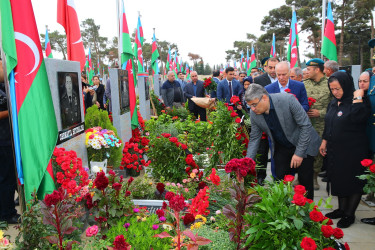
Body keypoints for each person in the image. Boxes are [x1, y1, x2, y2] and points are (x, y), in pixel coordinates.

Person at [245, 84, 321, 200]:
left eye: (254, 105)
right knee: (280, 181)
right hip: (282, 146)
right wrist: (247, 162)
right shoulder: (254, 113)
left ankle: (308, 211)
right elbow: (255, 137)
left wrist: (299, 153)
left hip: (303, 142)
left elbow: (305, 126)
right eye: (250, 106)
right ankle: (284, 211)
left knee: (305, 182)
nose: (253, 109)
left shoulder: (287, 100)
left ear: (264, 98)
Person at [320, 71, 370, 228]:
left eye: (338, 89)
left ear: (347, 86)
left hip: (354, 150)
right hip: (336, 149)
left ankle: (350, 214)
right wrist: (324, 141)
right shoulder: (333, 102)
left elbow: (358, 118)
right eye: (332, 89)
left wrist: (357, 97)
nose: (335, 92)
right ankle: (342, 209)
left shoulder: (359, 101)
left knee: (353, 181)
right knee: (339, 178)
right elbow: (328, 122)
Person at [304, 58, 330, 190]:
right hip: (305, 124)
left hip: (322, 125)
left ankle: (314, 178)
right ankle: (302, 176)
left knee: (318, 152)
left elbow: (335, 106)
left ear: (317, 69)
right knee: (304, 149)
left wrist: (320, 112)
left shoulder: (330, 84)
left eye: (309, 69)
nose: (307, 72)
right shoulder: (304, 84)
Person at [0, 60, 19, 224]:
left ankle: (6, 206)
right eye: (1, 66)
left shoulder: (3, 86)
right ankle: (6, 214)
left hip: (8, 139)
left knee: (9, 178)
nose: (4, 68)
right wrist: (12, 111)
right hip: (2, 141)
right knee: (6, 178)